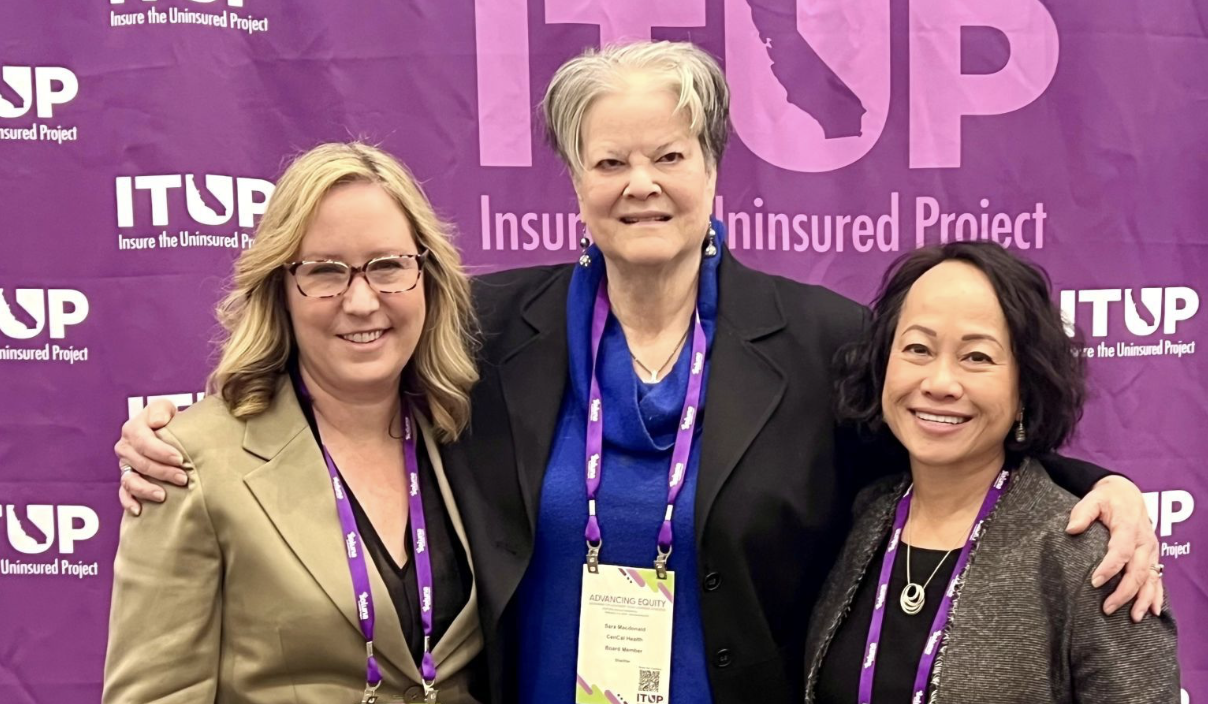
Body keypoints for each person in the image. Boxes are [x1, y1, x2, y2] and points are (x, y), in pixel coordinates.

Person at [114, 42, 1162, 704]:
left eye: (668, 154)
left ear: (713, 165)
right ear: (571, 179)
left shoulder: (821, 339)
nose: (640, 183)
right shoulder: (480, 324)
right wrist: (180, 434)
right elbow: (338, 355)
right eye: (609, 160)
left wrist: (1094, 487)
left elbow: (952, 441)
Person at [104, 143, 487, 703]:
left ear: (427, 275)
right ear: (279, 289)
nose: (361, 301)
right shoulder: (191, 463)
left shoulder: (471, 430)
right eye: (325, 272)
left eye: (387, 266)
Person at [805, 243, 1179, 703]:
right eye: (918, 348)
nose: (940, 382)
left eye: (976, 357)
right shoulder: (865, 519)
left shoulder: (1092, 559)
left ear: (1026, 385)